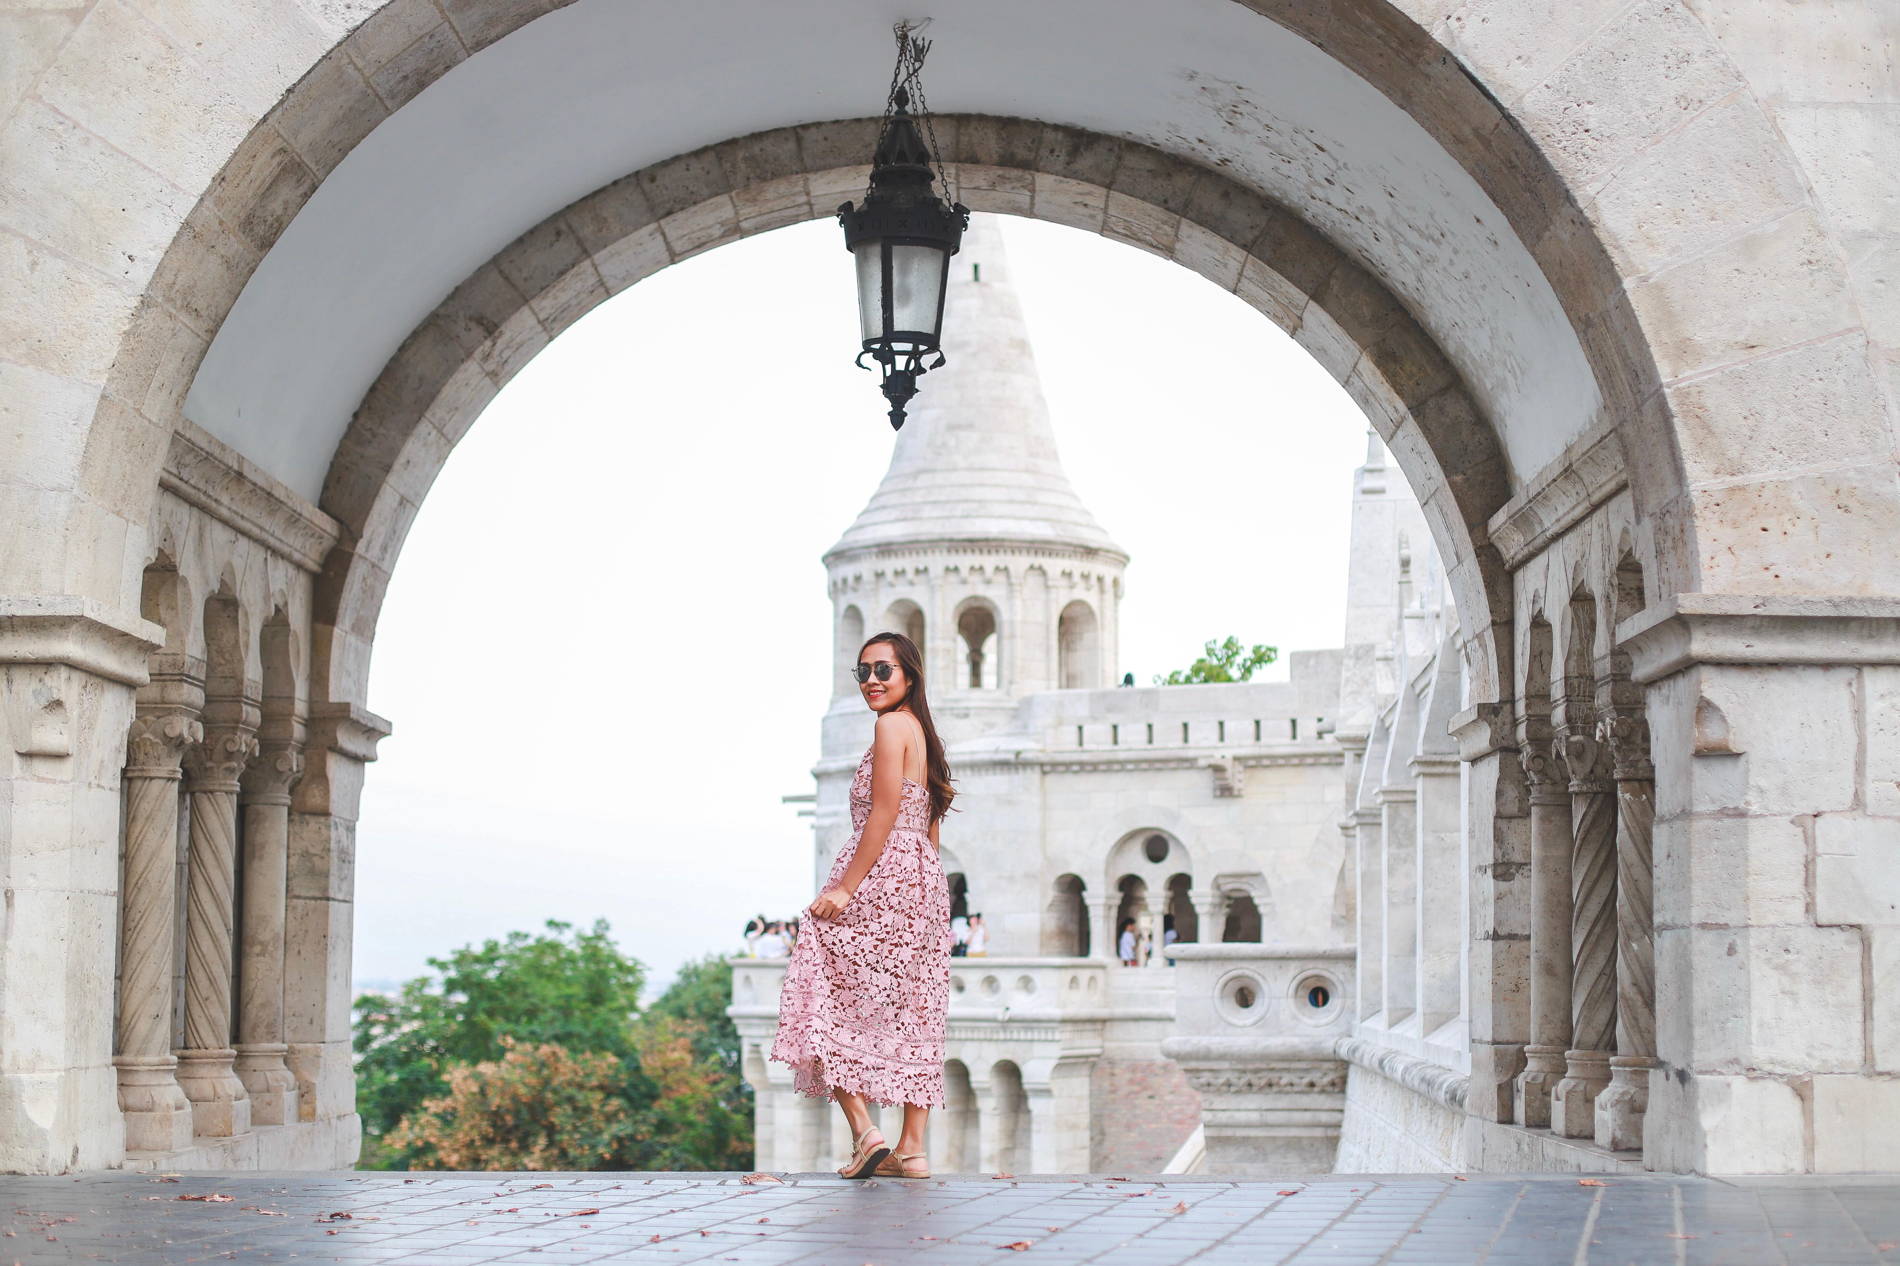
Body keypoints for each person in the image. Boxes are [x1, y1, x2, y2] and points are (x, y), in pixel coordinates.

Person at [771, 632, 955, 1181]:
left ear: (909, 676)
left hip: (881, 867)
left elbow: (882, 814)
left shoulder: (890, 727)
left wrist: (845, 889)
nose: (871, 681)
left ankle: (865, 1131)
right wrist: (922, 898)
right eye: (863, 673)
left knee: (819, 980)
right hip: (922, 878)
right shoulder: (925, 736)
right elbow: (930, 828)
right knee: (913, 1006)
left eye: (883, 670)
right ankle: (913, 1148)